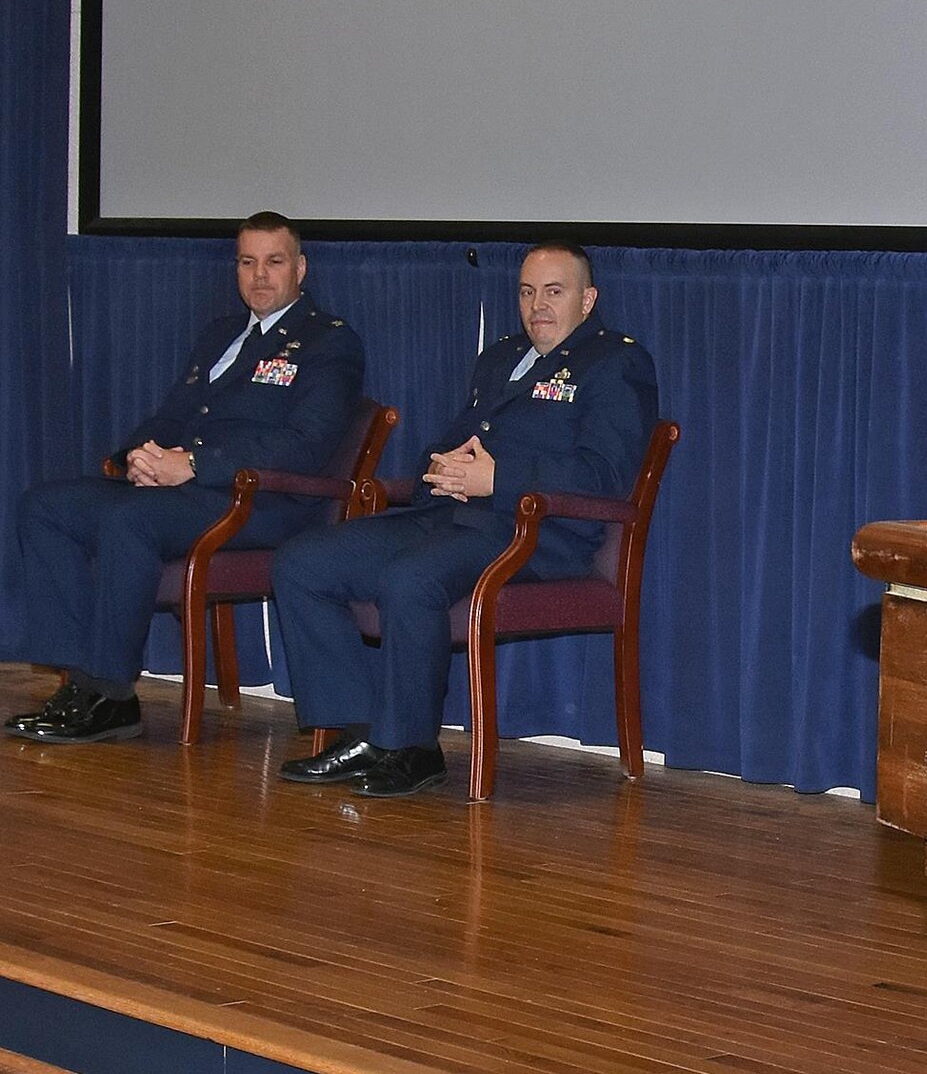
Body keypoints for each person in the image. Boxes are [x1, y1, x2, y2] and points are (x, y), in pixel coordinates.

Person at [271, 243, 656, 798]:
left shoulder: (616, 362)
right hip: (451, 514)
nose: (537, 306)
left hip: (534, 533)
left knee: (412, 579)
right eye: (527, 292)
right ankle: (362, 732)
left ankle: (412, 750)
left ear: (587, 300)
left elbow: (605, 472)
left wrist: (498, 480)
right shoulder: (500, 359)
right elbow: (456, 439)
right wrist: (443, 467)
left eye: (554, 291)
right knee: (303, 561)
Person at [7, 211, 364, 744]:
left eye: (274, 262)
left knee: (130, 520)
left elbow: (305, 447)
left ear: (301, 268)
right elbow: (173, 414)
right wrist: (139, 454)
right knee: (45, 506)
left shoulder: (328, 341)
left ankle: (111, 696)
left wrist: (192, 464)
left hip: (258, 501)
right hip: (183, 489)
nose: (259, 276)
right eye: (247, 262)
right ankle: (77, 680)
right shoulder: (221, 333)